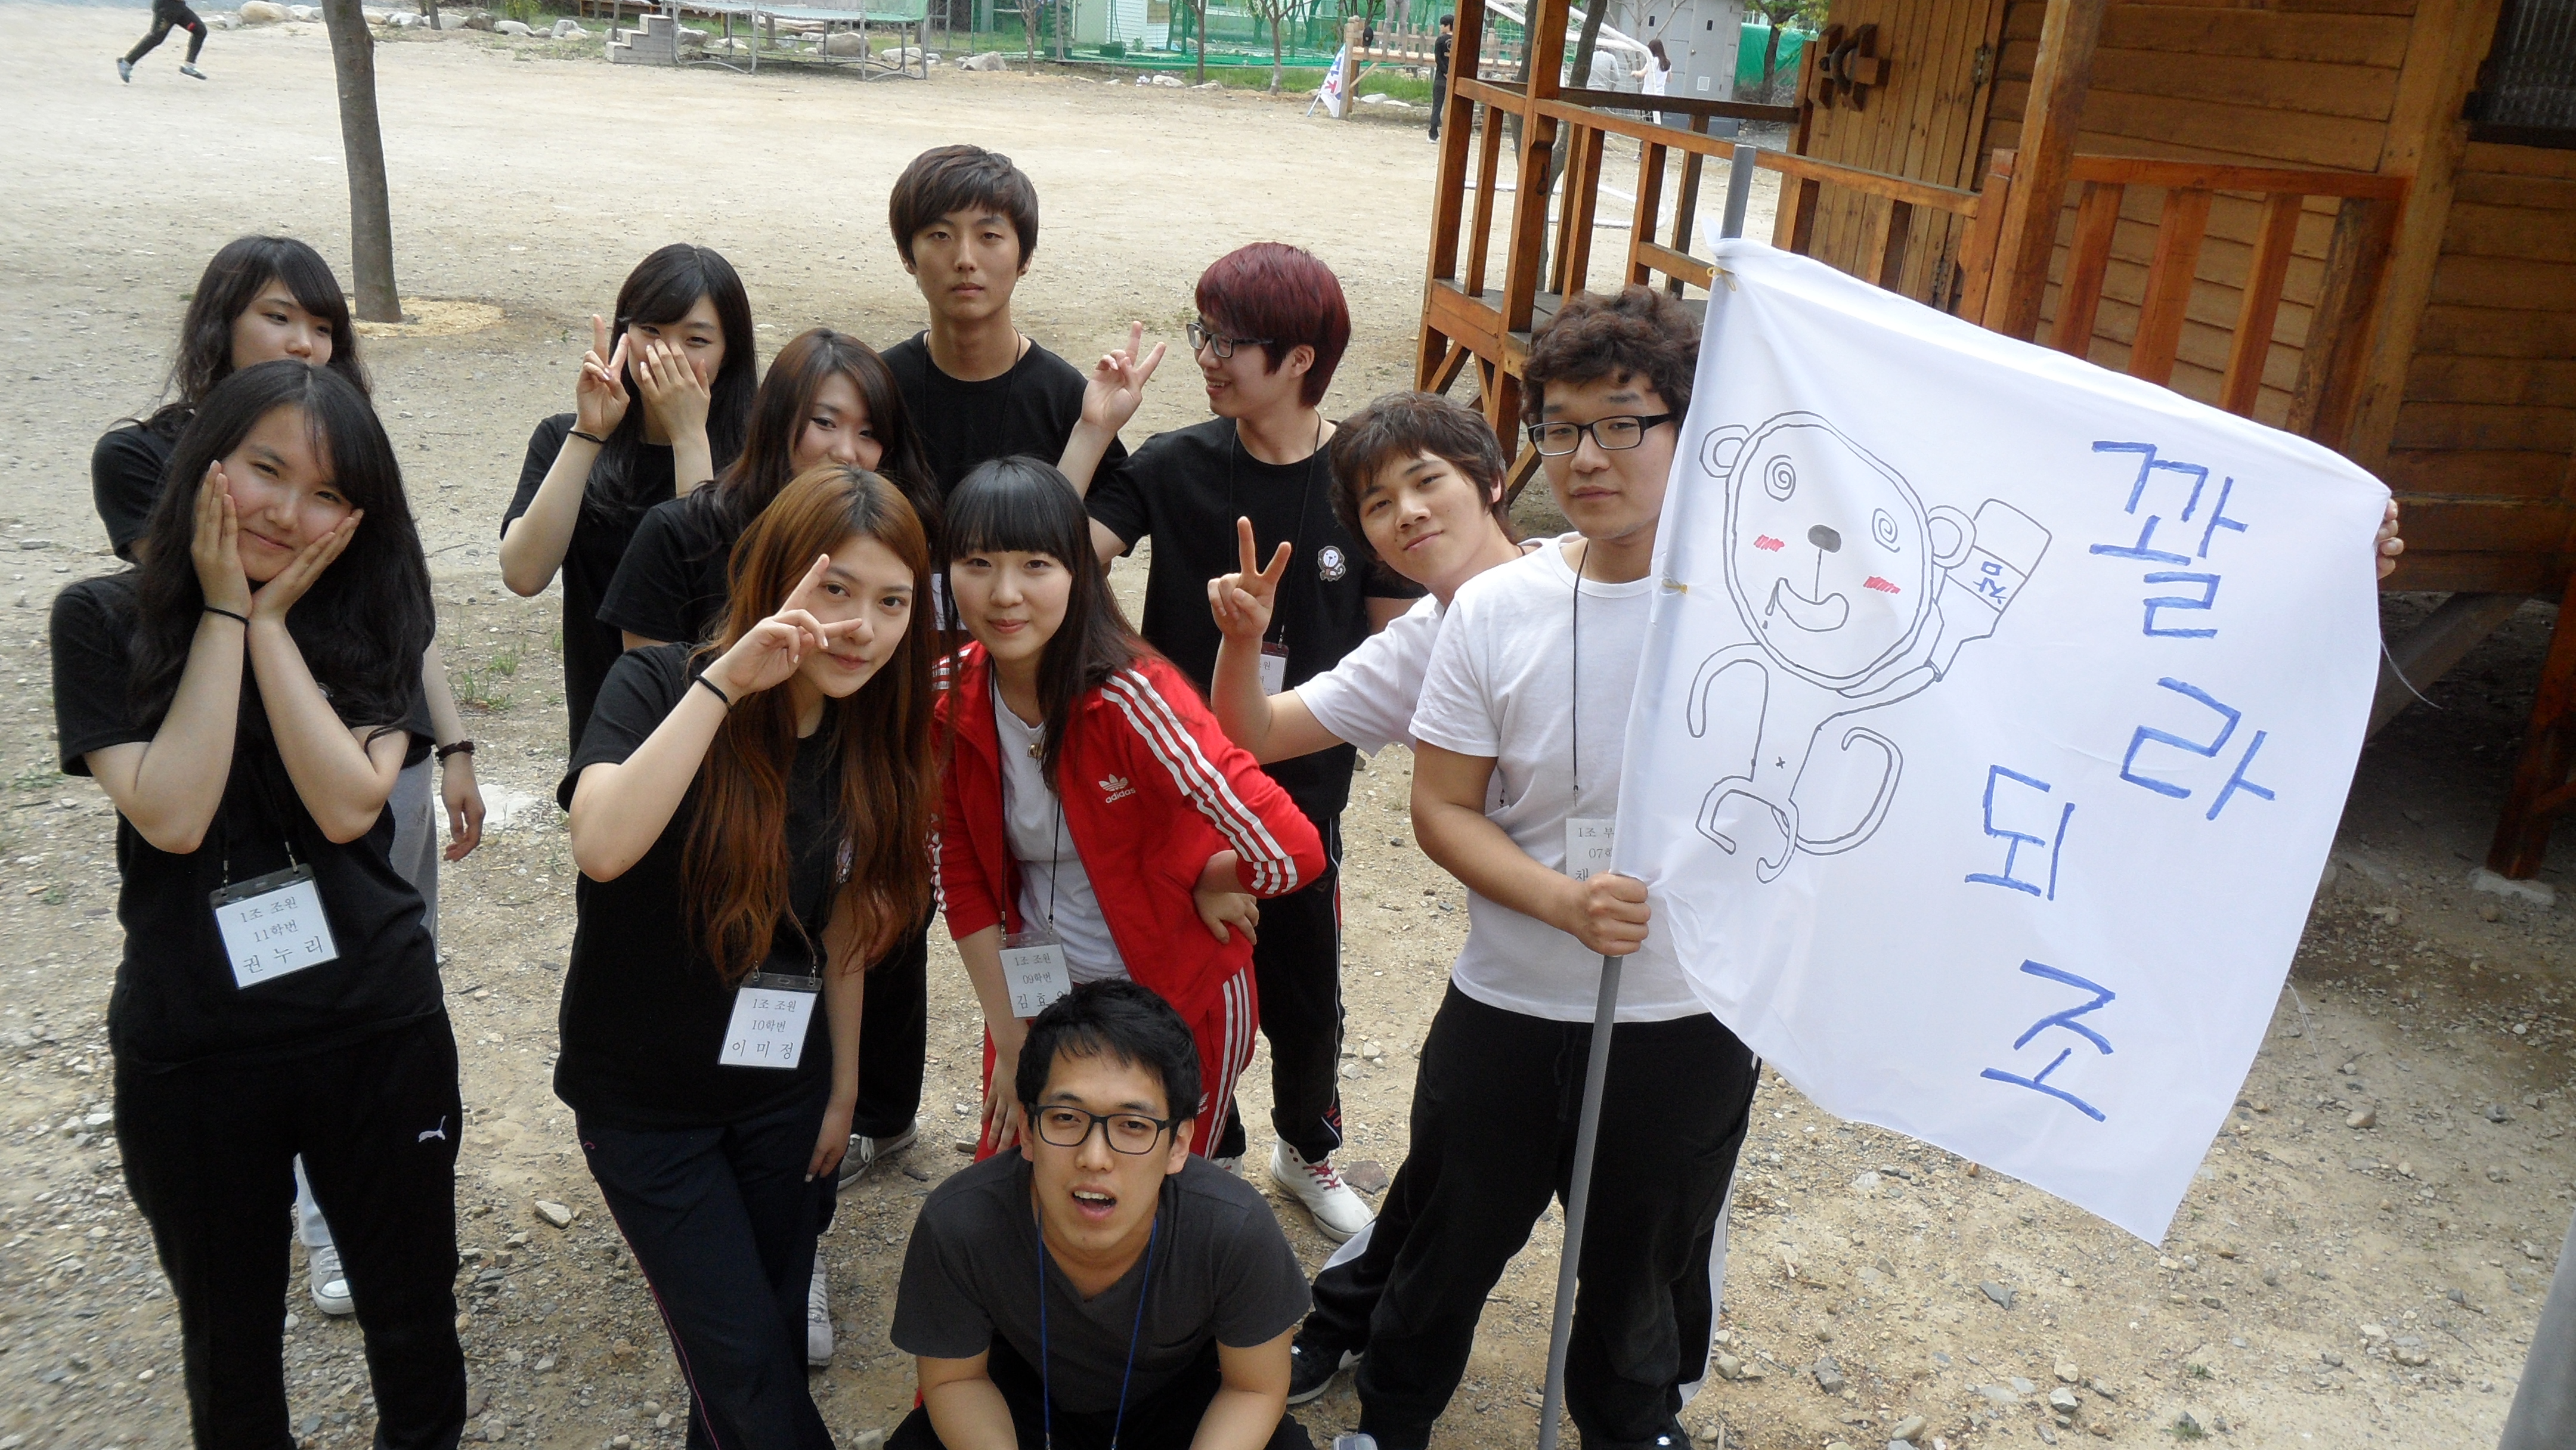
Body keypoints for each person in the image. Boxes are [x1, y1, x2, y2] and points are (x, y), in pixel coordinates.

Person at [1306, 289, 1761, 1450]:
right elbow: (1443, 807)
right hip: (1508, 1003)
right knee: (1448, 1237)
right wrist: (1561, 900)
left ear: (1691, 431)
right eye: (1561, 428)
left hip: (1686, 1015)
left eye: (1623, 423)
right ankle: (1391, 1419)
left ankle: (1631, 1425)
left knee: (1642, 1261)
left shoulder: (1761, 613)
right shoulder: (1497, 610)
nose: (1587, 456)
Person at [53, 359, 465, 1446]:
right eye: (264, 470)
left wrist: (273, 629)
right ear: (206, 463)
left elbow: (346, 804)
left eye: (325, 492)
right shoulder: (101, 618)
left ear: (358, 515)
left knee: (414, 1323)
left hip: (375, 1025)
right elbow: (174, 814)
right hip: (196, 1043)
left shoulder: (377, 611)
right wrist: (226, 614)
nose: (286, 511)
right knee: (229, 1348)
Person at [89, 233, 485, 1319]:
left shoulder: (353, 463)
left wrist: (451, 744)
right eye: (280, 316)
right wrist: (256, 612)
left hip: (354, 745)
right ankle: (313, 1222)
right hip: (230, 763)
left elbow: (397, 616)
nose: (306, 341)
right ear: (218, 320)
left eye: (323, 324)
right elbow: (194, 601)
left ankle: (351, 1205)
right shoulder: (145, 463)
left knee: (381, 966)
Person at [559, 463, 939, 1450]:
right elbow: (602, 844)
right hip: (647, 1105)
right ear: (776, 573)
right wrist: (728, 682)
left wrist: (843, 1088)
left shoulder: (871, 736)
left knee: (757, 1344)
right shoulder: (661, 682)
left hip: (783, 1093)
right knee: (749, 1375)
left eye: (893, 602)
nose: (862, 627)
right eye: (836, 588)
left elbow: (847, 920)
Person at [1082, 244, 1421, 1244]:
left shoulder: (1362, 480)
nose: (1207, 356)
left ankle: (1306, 1147)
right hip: (1176, 795)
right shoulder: (1175, 463)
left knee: (1305, 997)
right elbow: (1055, 559)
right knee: (1181, 985)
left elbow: (1401, 644)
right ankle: (1204, 1153)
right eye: (1205, 332)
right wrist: (1096, 431)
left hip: (1299, 797)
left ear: (1300, 358)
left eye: (1229, 340)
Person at [936, 456, 1325, 1169]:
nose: (1004, 593)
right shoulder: (950, 694)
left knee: (1154, 1192)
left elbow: (1291, 850)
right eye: (978, 563)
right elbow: (959, 874)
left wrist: (1207, 875)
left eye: (1036, 564)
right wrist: (1012, 1036)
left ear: (1079, 573)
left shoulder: (1134, 698)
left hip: (1176, 1000)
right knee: (1020, 1182)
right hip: (1035, 998)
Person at [890, 980, 1314, 1450]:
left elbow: (1253, 1388)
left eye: (1133, 1125)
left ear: (1178, 1144)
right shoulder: (960, 1224)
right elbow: (956, 1380)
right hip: (1018, 1408)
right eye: (1065, 1118)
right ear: (1027, 1129)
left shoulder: (1233, 1229)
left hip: (1181, 1413)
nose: (1094, 1158)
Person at [500, 243, 757, 754]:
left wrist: (689, 438)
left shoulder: (758, 456)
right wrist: (588, 432)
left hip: (727, 734)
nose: (665, 353)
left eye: (696, 339)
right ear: (623, 334)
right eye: (651, 331)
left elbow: (711, 599)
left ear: (729, 352)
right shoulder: (564, 439)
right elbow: (524, 575)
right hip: (608, 733)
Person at [1206, 391, 1527, 770]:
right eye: (1380, 505)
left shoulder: (1577, 573)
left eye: (1427, 480)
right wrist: (1242, 640)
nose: (1408, 514)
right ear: (1370, 548)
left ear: (1492, 481)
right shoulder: (1408, 654)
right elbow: (1255, 735)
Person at [883, 145, 1136, 503]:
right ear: (907, 255)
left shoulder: (1067, 402)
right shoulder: (878, 389)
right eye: (940, 235)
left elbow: (1103, 532)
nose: (965, 259)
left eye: (989, 236)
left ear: (1025, 256)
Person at [119, 0, 208, 82]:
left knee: (200, 31)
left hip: (178, 7)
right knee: (156, 37)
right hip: (166, 7)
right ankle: (127, 62)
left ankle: (189, 65)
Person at [1633, 38, 1671, 126]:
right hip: (1661, 97)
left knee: (1646, 123)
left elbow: (1642, 74)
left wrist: (1634, 73)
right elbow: (1669, 79)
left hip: (1648, 96)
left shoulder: (1652, 61)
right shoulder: (1667, 63)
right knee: (1657, 123)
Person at [1428, 14, 1453, 142]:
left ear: (1448, 26)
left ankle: (1433, 134)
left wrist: (1446, 72)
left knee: (1437, 106)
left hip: (1441, 78)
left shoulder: (1441, 40)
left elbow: (1438, 59)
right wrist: (1452, 73)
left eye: (1442, 25)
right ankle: (1451, 134)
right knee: (1452, 107)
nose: (1441, 27)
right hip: (1455, 79)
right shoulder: (1459, 41)